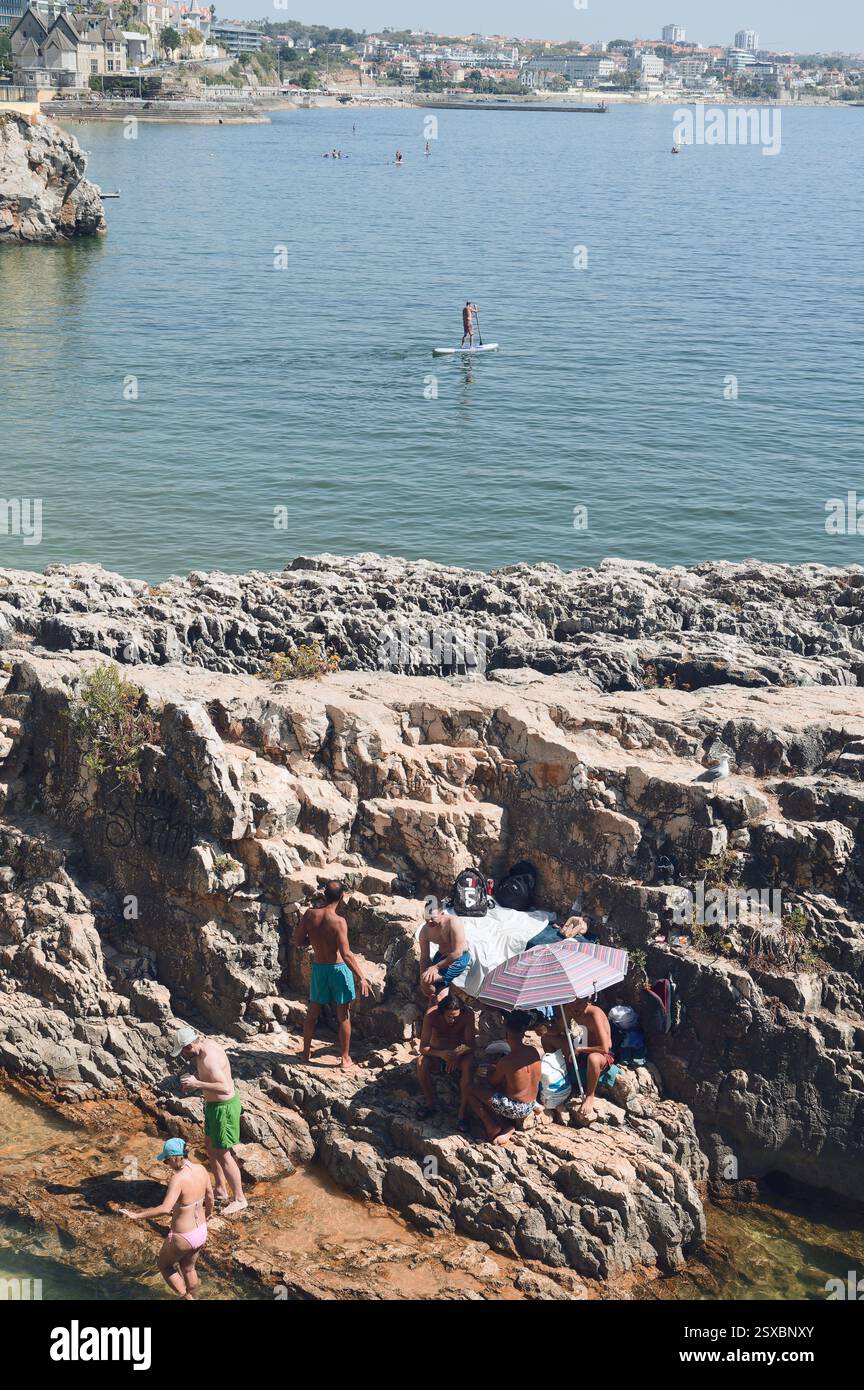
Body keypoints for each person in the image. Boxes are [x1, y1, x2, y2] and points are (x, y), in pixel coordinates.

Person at [120, 1137, 214, 1300]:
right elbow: (210, 1197)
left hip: (183, 1236)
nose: (167, 1165)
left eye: (166, 1161)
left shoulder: (178, 1179)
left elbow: (165, 1209)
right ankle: (195, 1296)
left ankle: (186, 1297)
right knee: (189, 1268)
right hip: (200, 1232)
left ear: (174, 1158)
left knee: (165, 1266)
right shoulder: (201, 1169)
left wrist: (137, 1215)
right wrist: (208, 1214)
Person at [171, 1025, 247, 1216]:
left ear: (189, 1046)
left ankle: (240, 1199)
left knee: (223, 1153)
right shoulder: (204, 1047)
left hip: (224, 1108)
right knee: (210, 1146)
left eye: (183, 1051)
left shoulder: (210, 1058)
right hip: (213, 1107)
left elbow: (225, 1088)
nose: (183, 1056)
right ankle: (221, 1189)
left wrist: (197, 1084)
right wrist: (196, 1082)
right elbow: (211, 1077)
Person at [294, 880, 369, 1069]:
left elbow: (298, 940)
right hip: (337, 969)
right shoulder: (339, 922)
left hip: (320, 968)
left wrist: (315, 941)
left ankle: (305, 1053)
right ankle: (344, 1058)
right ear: (342, 897)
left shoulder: (310, 915)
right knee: (343, 1014)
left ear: (324, 895)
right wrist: (361, 977)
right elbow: (346, 954)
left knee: (313, 1011)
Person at [465, 1011, 541, 1146]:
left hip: (516, 1109)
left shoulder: (507, 1061)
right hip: (531, 1103)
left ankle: (493, 1126)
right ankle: (508, 1124)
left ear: (506, 1034)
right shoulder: (533, 1051)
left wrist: (492, 1070)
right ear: (523, 1033)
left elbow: (492, 1082)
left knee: (470, 1089)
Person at [546, 996, 614, 1123]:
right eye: (572, 1003)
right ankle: (559, 1077)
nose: (575, 1007)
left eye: (579, 1003)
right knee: (547, 1039)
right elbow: (557, 1030)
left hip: (600, 1054)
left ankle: (590, 1096)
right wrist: (543, 1029)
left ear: (587, 1002)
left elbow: (605, 1047)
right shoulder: (569, 1009)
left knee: (593, 1058)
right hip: (581, 1047)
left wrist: (582, 1049)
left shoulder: (594, 1014)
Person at [417, 994, 475, 1131]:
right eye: (449, 1016)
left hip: (460, 1053)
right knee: (421, 1063)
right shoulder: (431, 1015)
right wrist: (442, 1054)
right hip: (437, 1052)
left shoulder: (467, 1015)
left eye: (456, 1016)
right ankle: (430, 1104)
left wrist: (456, 1054)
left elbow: (471, 1044)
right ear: (442, 1012)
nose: (453, 1020)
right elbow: (423, 1047)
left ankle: (462, 1114)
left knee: (469, 1064)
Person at [418, 909, 470, 1002]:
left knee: (429, 981)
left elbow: (458, 952)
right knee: (426, 982)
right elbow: (424, 958)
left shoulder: (453, 922)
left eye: (432, 918)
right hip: (441, 956)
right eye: (426, 919)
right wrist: (422, 977)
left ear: (441, 914)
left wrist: (435, 967)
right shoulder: (425, 930)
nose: (429, 921)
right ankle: (436, 998)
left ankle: (442, 991)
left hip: (457, 959)